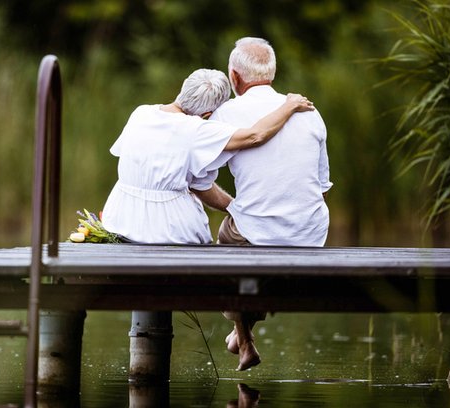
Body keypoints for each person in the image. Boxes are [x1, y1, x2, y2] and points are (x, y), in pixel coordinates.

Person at [206, 37, 333, 371]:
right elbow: (322, 186)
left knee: (230, 238)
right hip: (311, 234)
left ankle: (243, 338)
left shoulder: (226, 114)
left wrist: (232, 206)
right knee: (255, 231)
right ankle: (241, 337)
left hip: (259, 232)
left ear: (234, 77)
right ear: (272, 73)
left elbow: (199, 178)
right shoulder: (309, 111)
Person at [101, 68, 314, 244]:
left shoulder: (141, 113)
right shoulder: (197, 130)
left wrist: (232, 207)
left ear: (183, 89)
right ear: (208, 115)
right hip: (168, 228)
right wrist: (289, 106)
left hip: (121, 218)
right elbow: (256, 135)